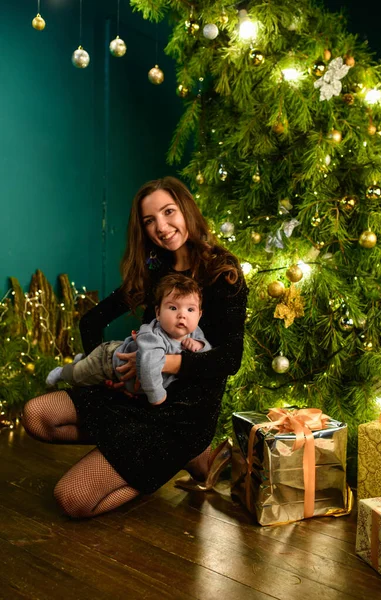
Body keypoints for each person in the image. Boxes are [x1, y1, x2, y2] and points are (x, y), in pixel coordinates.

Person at [22, 176, 248, 519]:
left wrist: (165, 364)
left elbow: (231, 359)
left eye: (169, 212)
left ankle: (172, 458)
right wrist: (108, 375)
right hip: (134, 393)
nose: (162, 226)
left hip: (182, 413)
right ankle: (165, 456)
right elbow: (92, 321)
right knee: (36, 417)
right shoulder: (155, 267)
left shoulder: (223, 272)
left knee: (72, 499)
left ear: (186, 209)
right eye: (149, 221)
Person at [45, 273, 212, 405]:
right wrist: (157, 397)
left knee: (85, 365)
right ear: (158, 313)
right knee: (78, 376)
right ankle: (62, 372)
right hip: (108, 362)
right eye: (173, 308)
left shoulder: (194, 332)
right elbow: (148, 367)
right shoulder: (153, 337)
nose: (182, 315)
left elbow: (206, 354)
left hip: (124, 373)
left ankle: (83, 358)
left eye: (190, 309)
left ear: (199, 315)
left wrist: (199, 344)